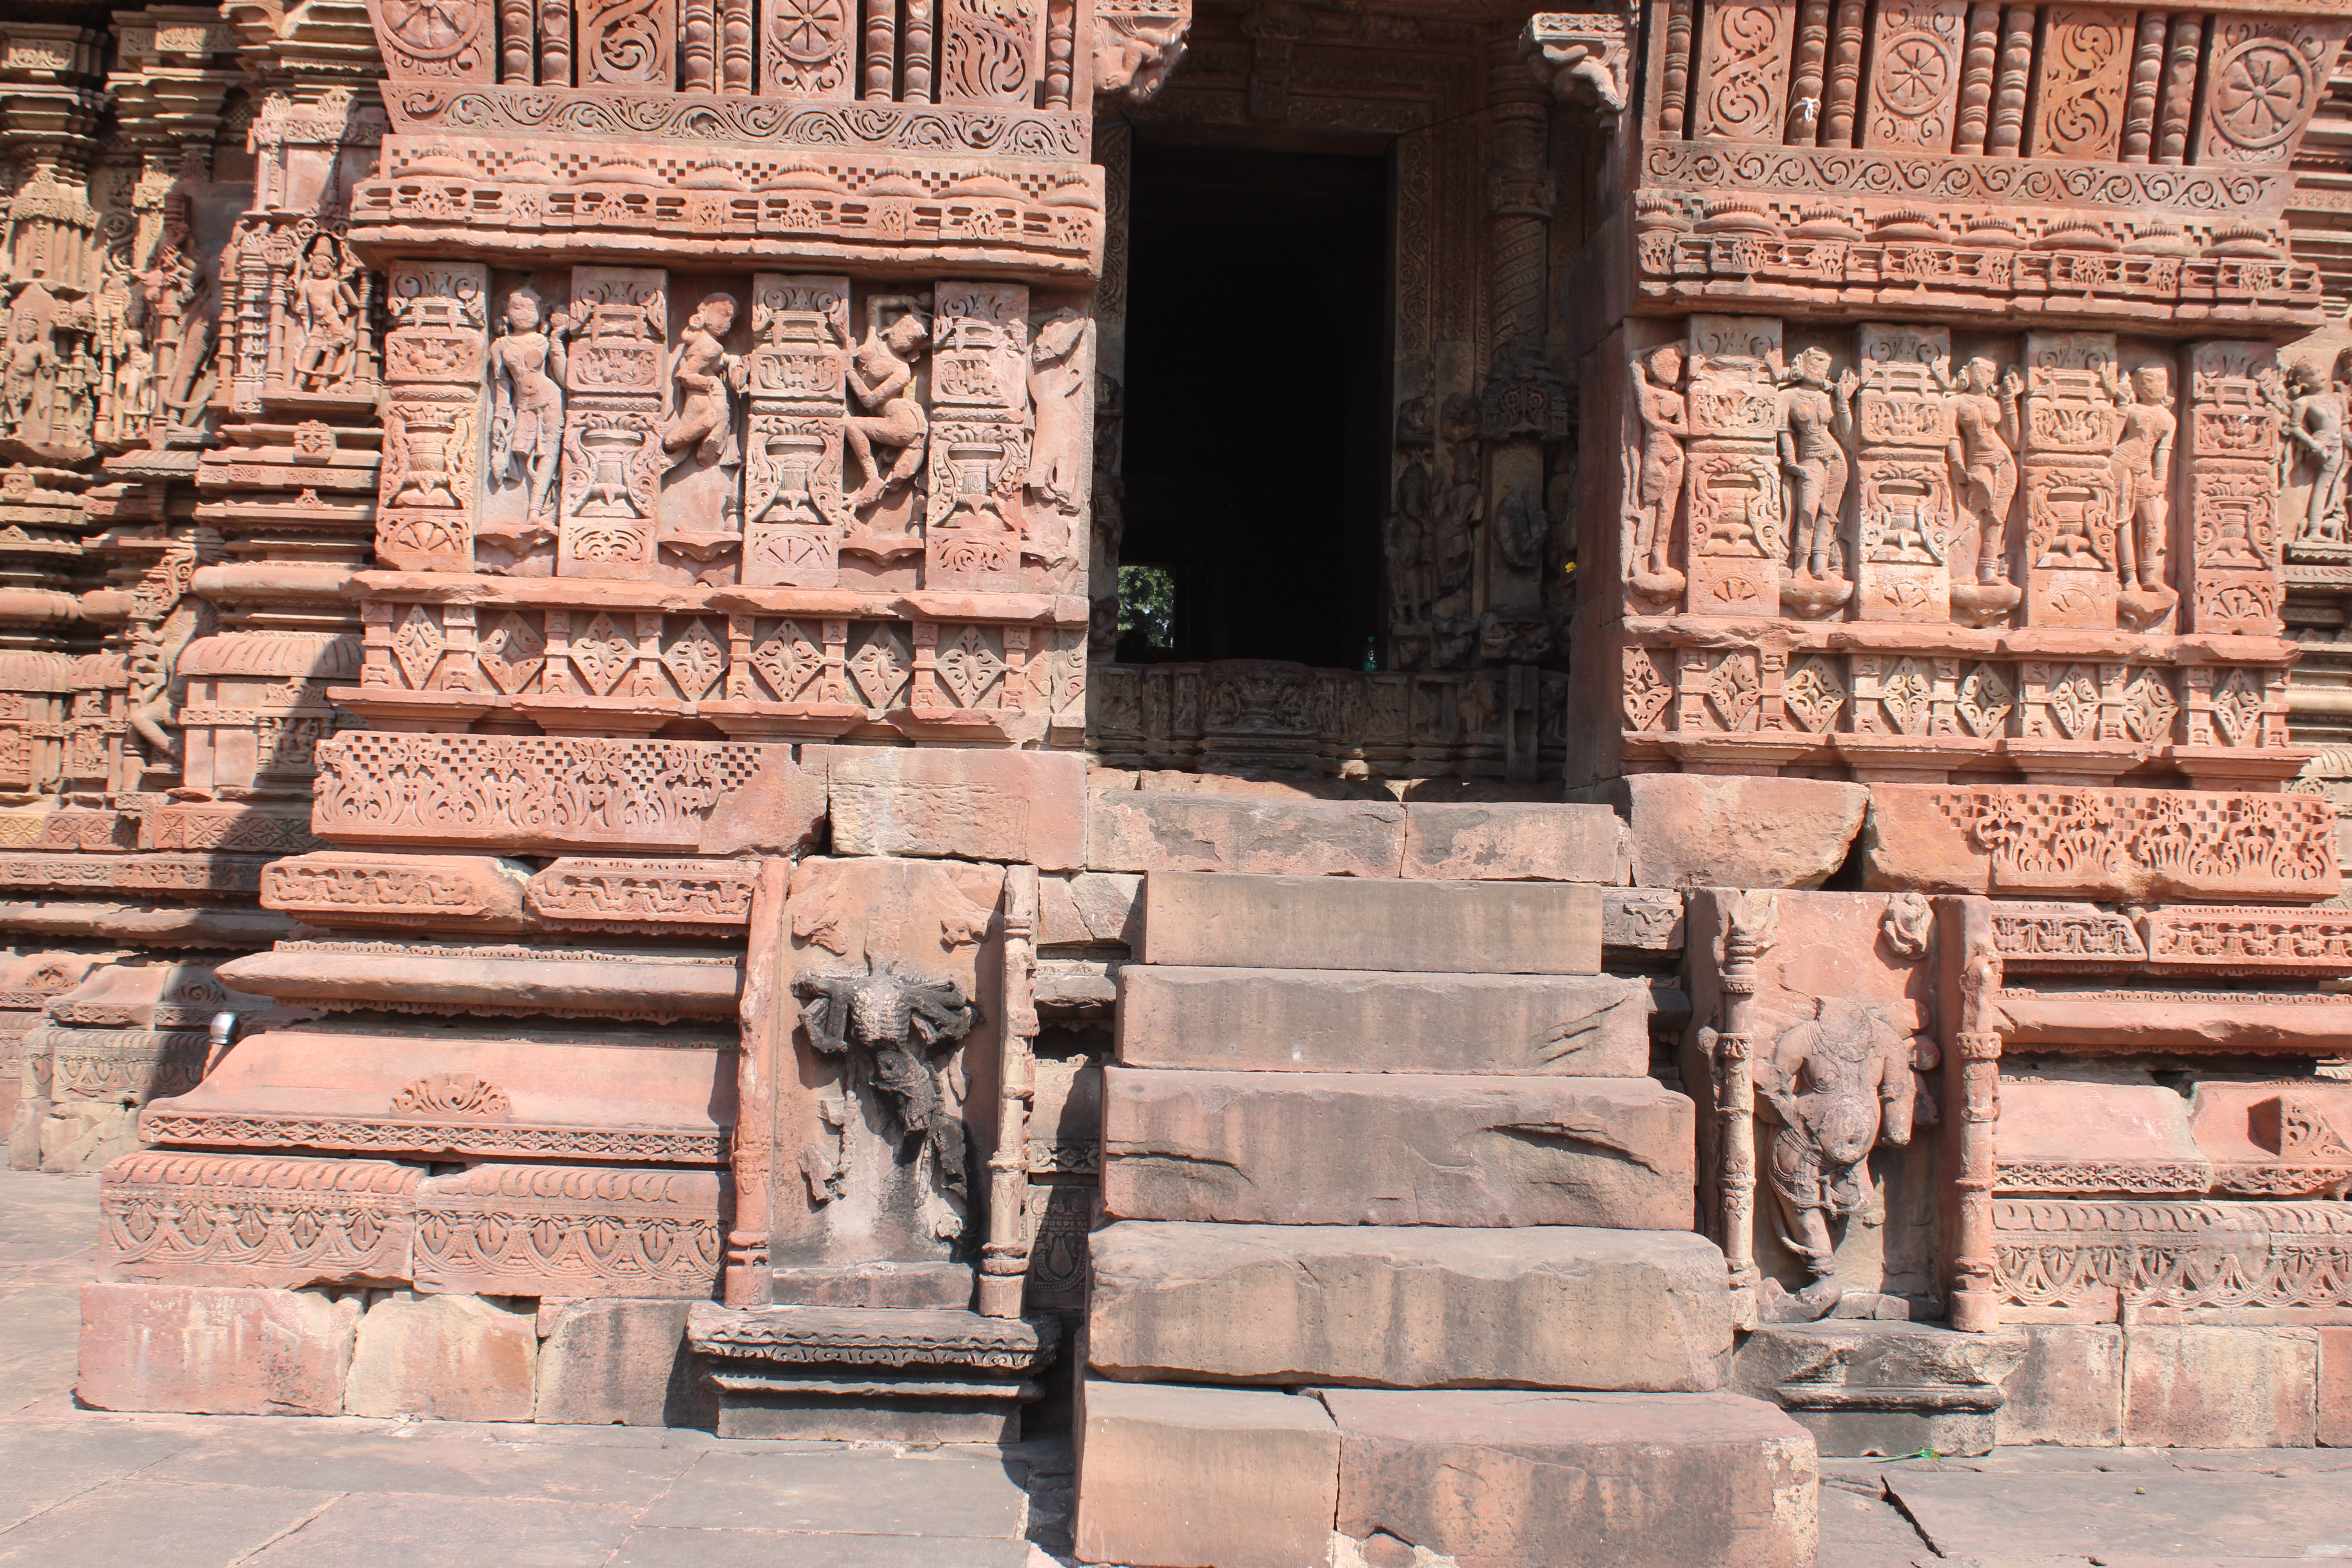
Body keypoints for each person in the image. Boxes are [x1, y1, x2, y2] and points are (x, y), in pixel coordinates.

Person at [488, 287, 567, 521]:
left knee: (549, 453)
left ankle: (535, 510)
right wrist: (499, 418)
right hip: (523, 405)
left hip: (550, 398)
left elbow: (564, 379)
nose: (523, 313)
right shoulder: (500, 346)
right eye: (517, 307)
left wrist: (556, 340)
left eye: (531, 308)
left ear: (541, 312)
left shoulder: (543, 341)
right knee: (522, 453)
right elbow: (503, 387)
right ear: (506, 311)